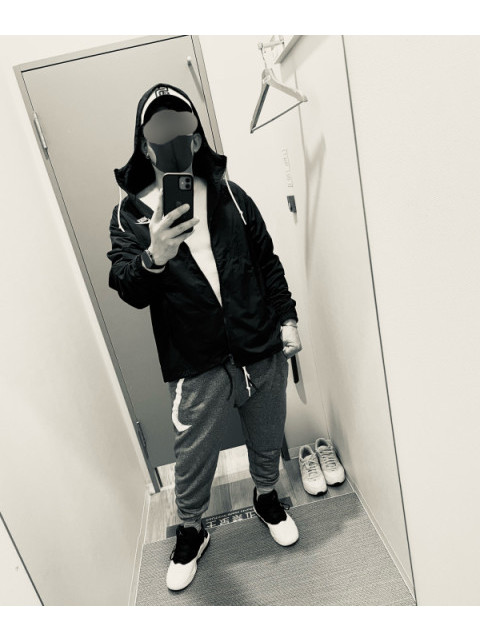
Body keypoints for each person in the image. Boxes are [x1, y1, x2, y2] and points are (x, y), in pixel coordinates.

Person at [107, 83, 302, 591]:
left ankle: (266, 497)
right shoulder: (131, 215)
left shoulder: (231, 195)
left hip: (258, 344)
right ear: (145, 146)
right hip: (196, 360)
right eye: (159, 133)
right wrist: (154, 255)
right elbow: (127, 286)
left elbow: (266, 261)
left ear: (196, 140)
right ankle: (192, 530)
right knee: (193, 454)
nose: (172, 142)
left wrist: (287, 318)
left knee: (267, 431)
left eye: (182, 131)